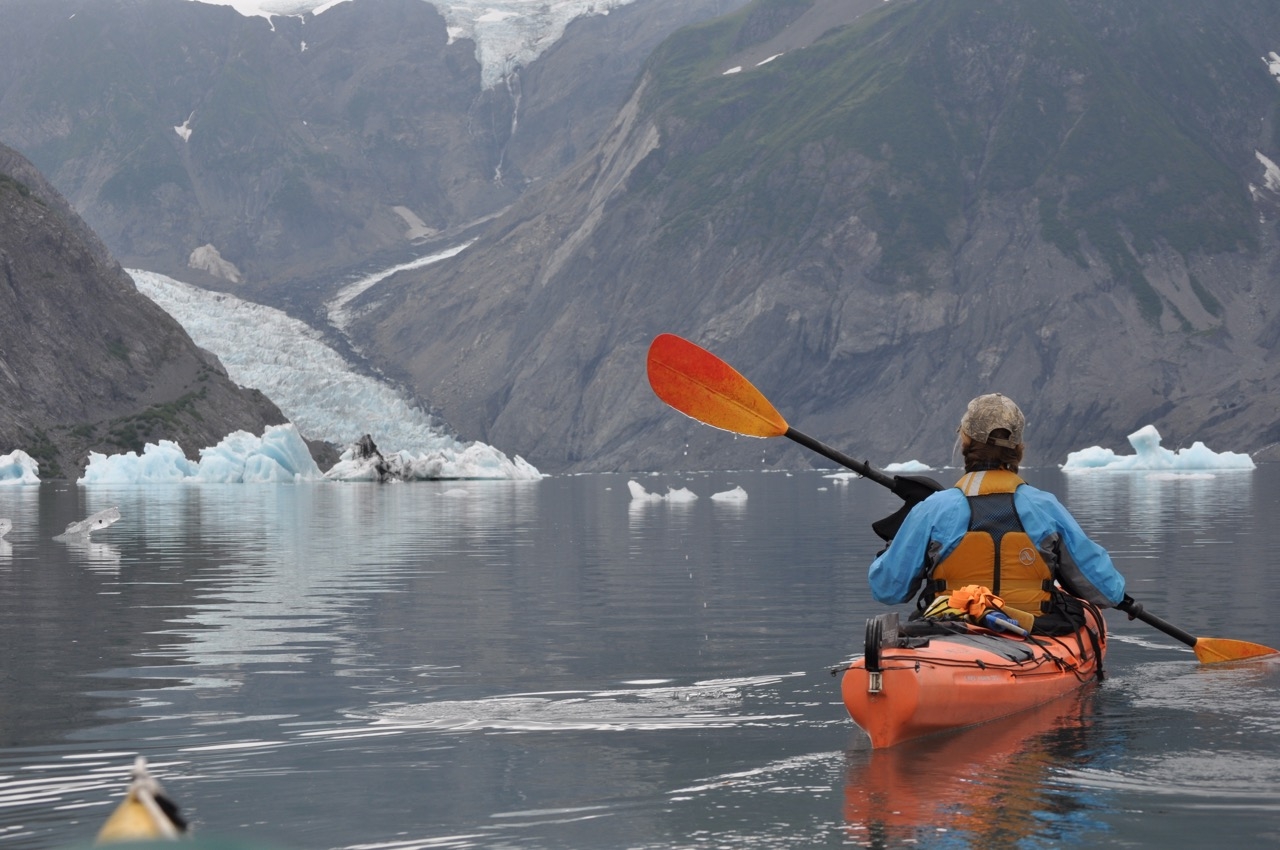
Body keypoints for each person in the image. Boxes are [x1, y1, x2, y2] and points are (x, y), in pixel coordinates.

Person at [868, 393, 1125, 635]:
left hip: (951, 634)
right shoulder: (1045, 508)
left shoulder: (933, 509)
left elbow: (888, 590)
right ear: (1018, 448)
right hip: (1033, 635)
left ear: (966, 442)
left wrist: (892, 549)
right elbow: (1107, 592)